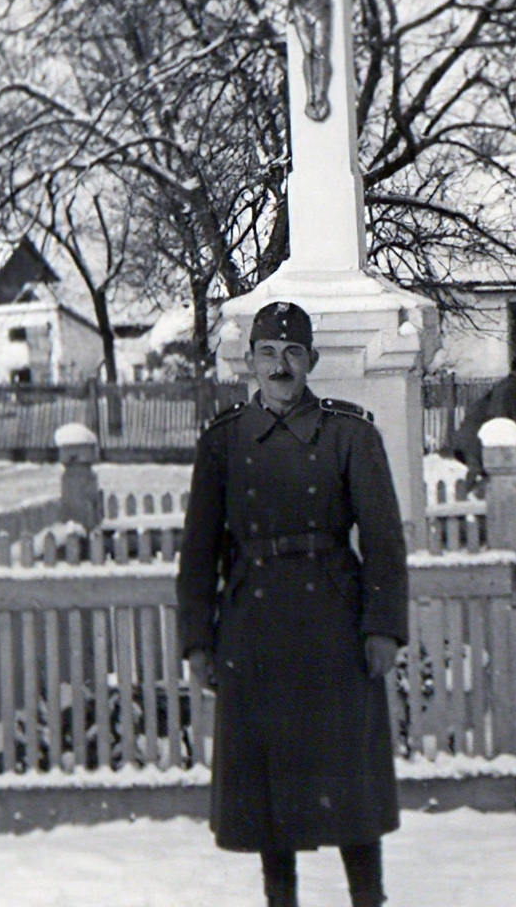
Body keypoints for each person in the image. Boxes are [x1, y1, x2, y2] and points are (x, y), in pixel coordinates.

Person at [177, 301, 407, 907]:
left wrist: (382, 627)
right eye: (268, 354)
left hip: (335, 619)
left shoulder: (350, 435)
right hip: (253, 624)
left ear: (312, 361)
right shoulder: (224, 443)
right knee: (266, 783)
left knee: (348, 774)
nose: (280, 367)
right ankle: (281, 900)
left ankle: (369, 897)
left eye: (293, 353)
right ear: (250, 361)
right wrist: (197, 641)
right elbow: (199, 550)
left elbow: (383, 540)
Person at [448, 356, 516, 487]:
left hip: (468, 438)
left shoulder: (498, 388)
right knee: (483, 470)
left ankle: (470, 493)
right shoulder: (514, 388)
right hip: (481, 440)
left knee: (483, 471)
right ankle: (467, 493)